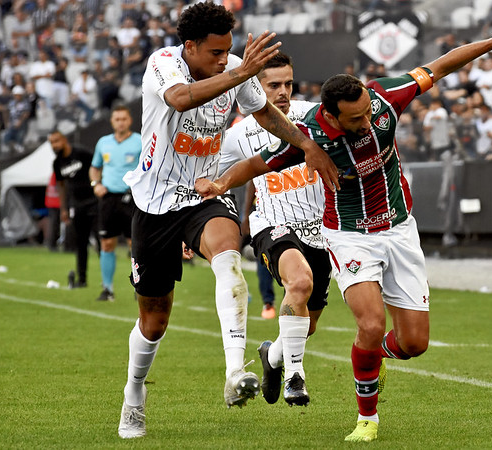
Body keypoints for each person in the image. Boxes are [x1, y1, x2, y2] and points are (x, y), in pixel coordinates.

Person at [195, 20, 492, 442]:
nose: (366, 122)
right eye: (355, 119)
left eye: (367, 113)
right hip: (349, 235)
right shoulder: (310, 135)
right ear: (332, 115)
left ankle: (373, 357)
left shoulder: (384, 100)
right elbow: (255, 164)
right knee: (371, 325)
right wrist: (220, 184)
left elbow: (442, 64)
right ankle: (367, 419)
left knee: (414, 344)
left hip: (399, 229)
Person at [115, 2, 337, 440]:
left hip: (204, 192)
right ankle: (133, 394)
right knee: (155, 320)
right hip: (155, 202)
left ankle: (235, 372)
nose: (224, 59)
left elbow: (264, 113)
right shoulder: (163, 64)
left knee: (229, 254)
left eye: (228, 51)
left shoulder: (235, 68)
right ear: (190, 46)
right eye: (216, 52)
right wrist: (240, 73)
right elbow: (181, 98)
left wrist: (305, 144)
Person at [218, 51, 330, 407]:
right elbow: (205, 175)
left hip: (322, 229)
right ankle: (295, 377)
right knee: (299, 282)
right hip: (273, 224)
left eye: (288, 84)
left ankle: (274, 356)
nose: (283, 92)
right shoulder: (238, 135)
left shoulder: (315, 116)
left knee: (308, 323)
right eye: (273, 85)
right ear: (255, 87)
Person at [89, 105, 141, 301]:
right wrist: (96, 184)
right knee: (107, 243)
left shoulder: (140, 141)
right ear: (112, 121)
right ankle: (107, 289)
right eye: (117, 119)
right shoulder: (103, 143)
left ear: (130, 121)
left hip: (132, 198)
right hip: (108, 198)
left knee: (135, 244)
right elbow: (94, 167)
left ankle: (140, 287)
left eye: (124, 119)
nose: (120, 122)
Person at [49, 129, 97, 289]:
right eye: (51, 143)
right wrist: (63, 208)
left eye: (56, 141)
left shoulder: (82, 153)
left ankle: (107, 282)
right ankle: (82, 279)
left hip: (94, 201)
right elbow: (61, 185)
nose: (54, 145)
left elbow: (98, 167)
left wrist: (98, 185)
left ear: (64, 140)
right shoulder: (57, 163)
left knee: (102, 241)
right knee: (81, 243)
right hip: (77, 204)